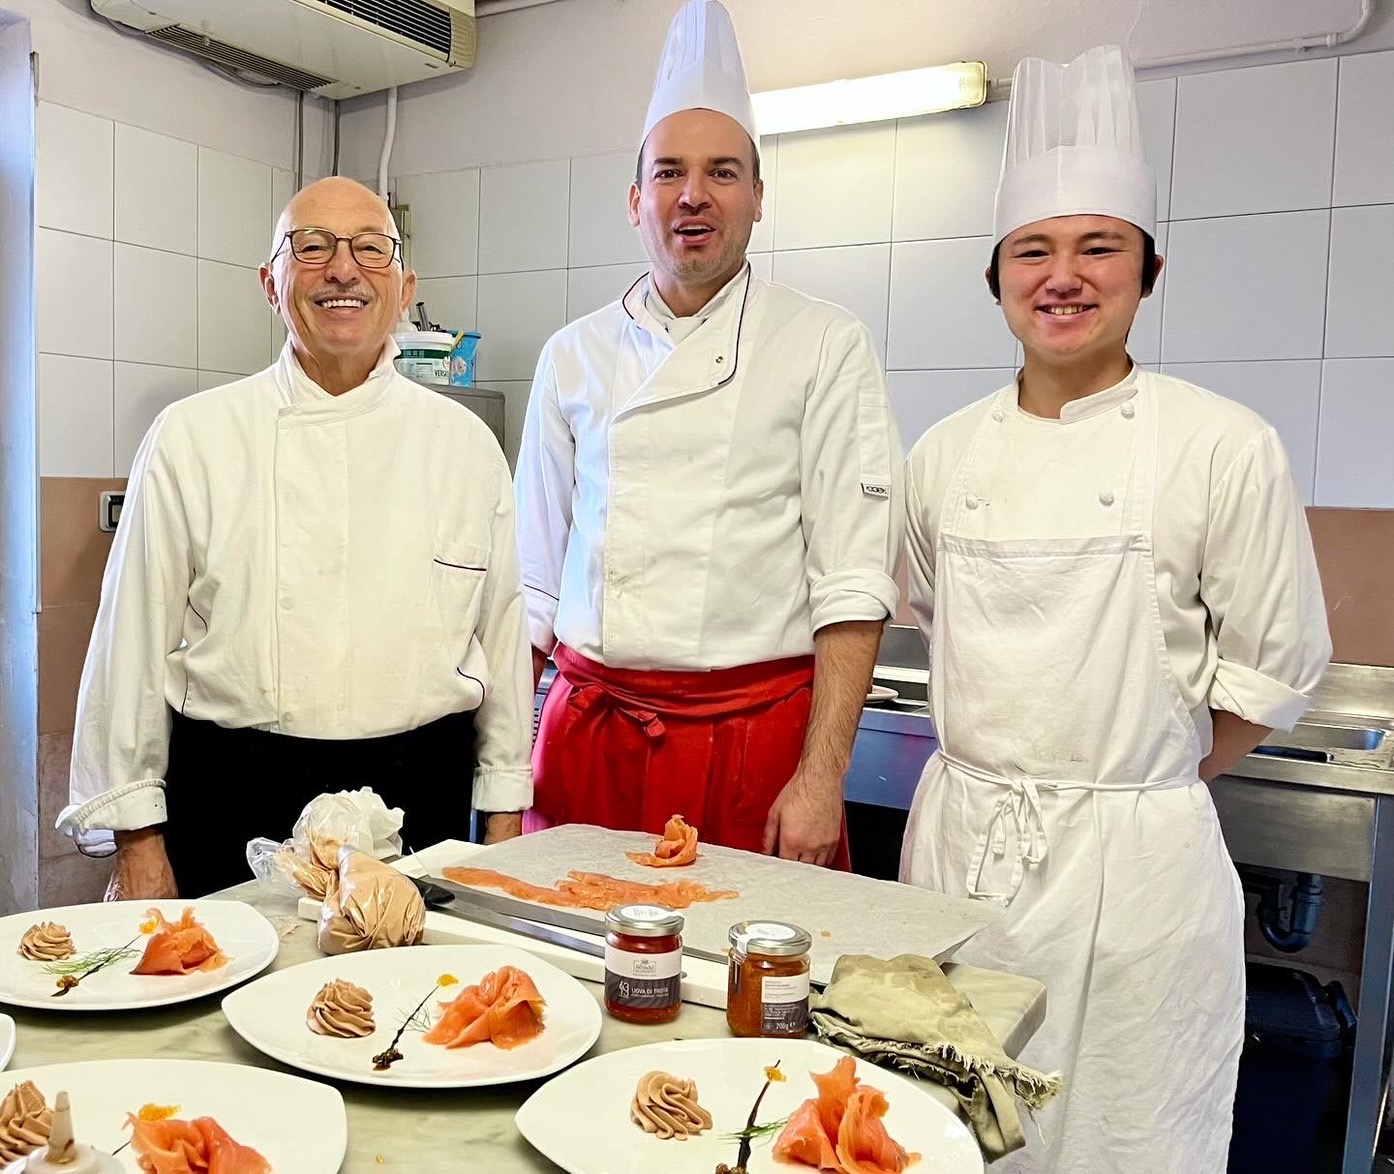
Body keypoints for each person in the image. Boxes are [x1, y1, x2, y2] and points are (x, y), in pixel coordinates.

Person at [898, 46, 1331, 1173]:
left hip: (1137, 869)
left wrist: (1140, 782)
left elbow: (1272, 668)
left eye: (1099, 246)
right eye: (1032, 249)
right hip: (961, 852)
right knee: (950, 1130)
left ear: (1147, 269)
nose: (1063, 275)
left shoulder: (1219, 443)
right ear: (993, 275)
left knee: (1122, 1134)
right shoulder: (941, 455)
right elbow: (926, 609)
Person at [59, 177, 534, 899]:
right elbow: (130, 645)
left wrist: (501, 832)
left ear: (405, 287)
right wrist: (138, 844)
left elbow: (501, 643)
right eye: (310, 248)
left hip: (422, 807)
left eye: (370, 249)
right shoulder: (193, 438)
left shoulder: (466, 447)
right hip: (233, 801)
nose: (343, 269)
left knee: (406, 1007)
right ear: (271, 285)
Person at [513, 0, 901, 867]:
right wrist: (504, 769)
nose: (694, 194)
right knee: (569, 980)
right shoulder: (572, 355)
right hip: (588, 739)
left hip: (754, 747)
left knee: (747, 991)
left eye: (723, 171)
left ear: (759, 198)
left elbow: (851, 583)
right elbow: (531, 587)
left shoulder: (823, 342)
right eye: (669, 172)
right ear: (634, 199)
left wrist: (820, 778)